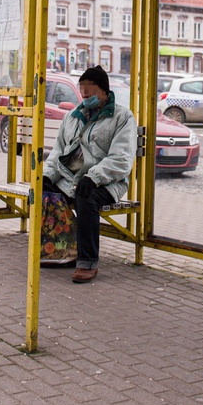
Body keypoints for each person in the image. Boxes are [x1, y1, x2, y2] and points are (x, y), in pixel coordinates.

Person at [42, 65, 137, 283]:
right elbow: (58, 152)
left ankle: (88, 261)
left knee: (85, 198)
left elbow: (121, 158)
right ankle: (62, 251)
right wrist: (48, 176)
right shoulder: (72, 117)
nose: (84, 94)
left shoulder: (122, 117)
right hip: (70, 178)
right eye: (82, 88)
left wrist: (93, 177)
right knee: (45, 192)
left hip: (108, 181)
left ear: (104, 91)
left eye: (90, 89)